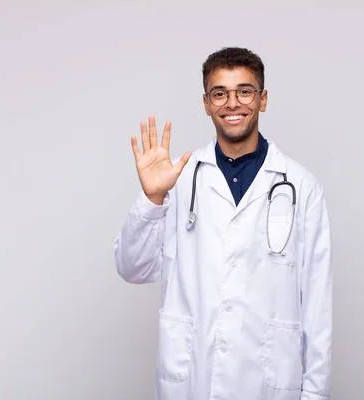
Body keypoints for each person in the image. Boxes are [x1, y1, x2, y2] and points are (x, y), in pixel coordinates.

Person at [113, 47, 332, 400]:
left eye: (245, 91)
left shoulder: (301, 186)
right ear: (206, 103)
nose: (233, 103)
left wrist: (316, 394)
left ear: (262, 100)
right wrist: (153, 198)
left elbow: (318, 302)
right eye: (220, 93)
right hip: (193, 379)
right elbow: (132, 268)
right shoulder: (180, 180)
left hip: (269, 380)